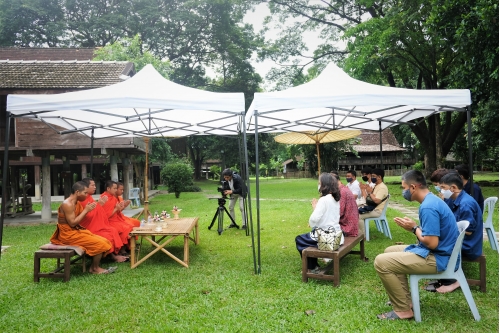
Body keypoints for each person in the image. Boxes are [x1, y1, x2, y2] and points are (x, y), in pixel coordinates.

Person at [374, 170, 458, 320]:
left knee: (381, 262)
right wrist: (415, 228)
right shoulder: (431, 200)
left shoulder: (428, 207)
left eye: (404, 188)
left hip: (439, 258)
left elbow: (432, 243)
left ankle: (403, 310)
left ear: (413, 187)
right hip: (440, 253)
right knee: (389, 251)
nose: (403, 191)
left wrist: (414, 228)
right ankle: (406, 301)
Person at [429, 172, 484, 293]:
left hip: (469, 244)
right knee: (430, 239)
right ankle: (443, 276)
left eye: (443, 188)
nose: (441, 191)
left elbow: (468, 232)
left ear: (453, 188)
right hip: (462, 240)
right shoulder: (454, 199)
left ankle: (453, 281)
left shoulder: (466, 204)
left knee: (435, 243)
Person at [50, 181, 114, 274]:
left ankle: (94, 266)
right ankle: (94, 268)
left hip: (75, 231)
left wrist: (96, 206)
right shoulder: (68, 204)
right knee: (100, 244)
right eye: (85, 193)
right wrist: (86, 210)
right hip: (68, 235)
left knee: (105, 241)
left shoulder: (77, 202)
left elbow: (83, 218)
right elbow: (72, 223)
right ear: (77, 192)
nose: (86, 195)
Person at [295, 172, 341, 272]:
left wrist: (315, 208)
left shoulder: (324, 200)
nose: (318, 185)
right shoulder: (335, 198)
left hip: (326, 236)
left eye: (319, 183)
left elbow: (314, 219)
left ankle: (312, 267)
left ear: (324, 185)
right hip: (336, 233)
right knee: (307, 237)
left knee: (299, 239)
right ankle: (315, 265)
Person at [80, 178, 129, 263]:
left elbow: (98, 213)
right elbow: (91, 216)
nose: (95, 187)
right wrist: (99, 205)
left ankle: (118, 252)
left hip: (99, 224)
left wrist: (120, 208)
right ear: (85, 187)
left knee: (113, 230)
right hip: (89, 227)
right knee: (110, 234)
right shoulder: (83, 200)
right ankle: (113, 256)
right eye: (93, 185)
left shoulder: (90, 198)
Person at [100, 180, 134, 249]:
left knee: (130, 226)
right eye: (114, 188)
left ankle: (128, 246)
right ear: (108, 189)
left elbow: (117, 212)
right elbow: (106, 216)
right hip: (109, 222)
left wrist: (123, 207)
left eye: (116, 188)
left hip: (116, 219)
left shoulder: (113, 198)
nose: (116, 190)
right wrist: (116, 208)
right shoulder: (104, 198)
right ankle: (122, 249)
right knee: (125, 228)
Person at [357, 168, 389, 235]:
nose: (372, 178)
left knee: (359, 216)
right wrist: (364, 190)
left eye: (373, 176)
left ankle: (362, 236)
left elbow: (377, 201)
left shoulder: (382, 187)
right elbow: (368, 200)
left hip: (377, 211)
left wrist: (370, 192)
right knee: (355, 210)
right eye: (372, 176)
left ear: (379, 177)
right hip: (372, 208)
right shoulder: (376, 186)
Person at [331, 172, 358, 237]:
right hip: (350, 225)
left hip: (347, 228)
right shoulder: (343, 189)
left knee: (322, 227)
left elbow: (339, 213)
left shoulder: (342, 192)